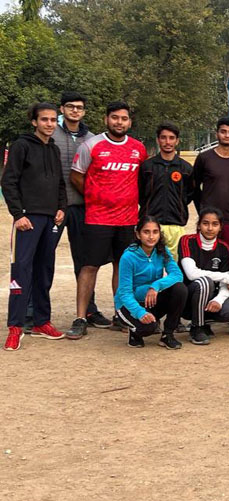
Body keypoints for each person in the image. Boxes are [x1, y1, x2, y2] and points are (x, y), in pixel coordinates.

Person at [67, 101, 148, 339]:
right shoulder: (91, 145)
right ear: (106, 119)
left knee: (122, 267)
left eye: (123, 118)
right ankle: (81, 318)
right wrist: (95, 197)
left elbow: (142, 179)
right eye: (115, 118)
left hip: (128, 220)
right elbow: (76, 176)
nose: (119, 122)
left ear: (129, 122)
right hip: (97, 219)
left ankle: (120, 314)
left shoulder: (138, 148)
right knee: (89, 267)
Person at [2, 102, 67, 351]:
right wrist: (18, 214)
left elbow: (60, 183)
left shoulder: (54, 149)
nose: (49, 124)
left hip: (50, 219)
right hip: (27, 220)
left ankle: (42, 322)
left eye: (53, 120)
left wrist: (61, 207)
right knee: (21, 271)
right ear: (34, 122)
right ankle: (15, 327)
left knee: (44, 271)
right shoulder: (21, 146)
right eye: (44, 120)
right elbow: (8, 182)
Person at [52, 91, 111, 329]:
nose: (75, 110)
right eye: (70, 106)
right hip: (53, 208)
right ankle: (34, 312)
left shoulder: (92, 139)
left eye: (79, 107)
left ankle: (89, 310)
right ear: (62, 109)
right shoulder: (50, 133)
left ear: (84, 111)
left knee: (85, 260)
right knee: (43, 258)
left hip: (83, 207)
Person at [115, 216, 188, 349]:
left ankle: (168, 334)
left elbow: (177, 275)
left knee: (180, 288)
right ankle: (134, 333)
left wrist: (156, 286)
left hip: (151, 299)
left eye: (155, 232)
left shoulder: (162, 250)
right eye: (146, 232)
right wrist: (140, 313)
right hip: (128, 304)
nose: (151, 236)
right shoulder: (128, 257)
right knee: (148, 328)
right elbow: (125, 293)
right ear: (138, 234)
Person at [178, 207, 229, 345]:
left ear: (220, 227)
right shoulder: (187, 241)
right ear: (198, 225)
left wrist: (218, 300)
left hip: (209, 297)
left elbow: (227, 282)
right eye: (205, 223)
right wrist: (225, 277)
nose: (210, 228)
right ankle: (197, 327)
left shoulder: (223, 247)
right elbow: (192, 274)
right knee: (204, 282)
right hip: (187, 299)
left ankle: (205, 321)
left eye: (215, 224)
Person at [138, 122, 194, 260]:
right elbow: (140, 194)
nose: (167, 142)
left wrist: (177, 206)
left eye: (171, 138)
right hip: (150, 226)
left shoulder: (186, 168)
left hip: (176, 225)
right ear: (158, 140)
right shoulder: (147, 167)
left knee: (174, 266)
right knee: (149, 266)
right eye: (163, 137)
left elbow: (189, 195)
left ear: (177, 141)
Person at [191, 117, 229, 249]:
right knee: (205, 255)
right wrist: (203, 210)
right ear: (216, 133)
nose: (227, 135)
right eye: (223, 131)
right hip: (208, 220)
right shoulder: (204, 158)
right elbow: (194, 187)